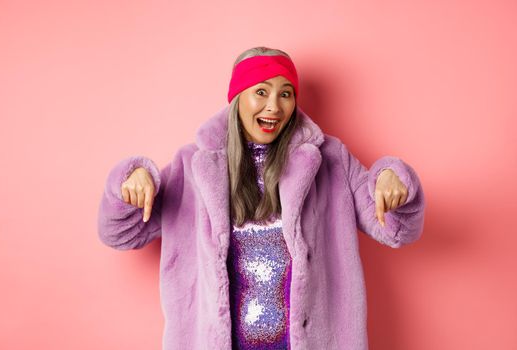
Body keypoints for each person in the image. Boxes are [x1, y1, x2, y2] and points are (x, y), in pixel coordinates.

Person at [98, 46, 425, 350]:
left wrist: (391, 181)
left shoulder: (332, 160)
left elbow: (395, 231)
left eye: (286, 94)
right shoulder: (193, 167)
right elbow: (121, 234)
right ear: (237, 99)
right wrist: (131, 182)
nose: (274, 106)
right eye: (261, 92)